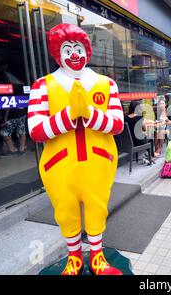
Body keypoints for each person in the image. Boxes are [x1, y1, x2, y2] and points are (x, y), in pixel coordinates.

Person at [27, 24, 124, 275]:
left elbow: (117, 125)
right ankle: (74, 258)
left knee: (97, 208)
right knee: (66, 211)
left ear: (87, 50)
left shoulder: (106, 84)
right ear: (57, 54)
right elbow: (36, 130)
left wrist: (88, 113)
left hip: (98, 162)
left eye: (78, 48)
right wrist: (70, 114)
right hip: (59, 165)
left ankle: (97, 256)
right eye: (67, 49)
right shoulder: (42, 86)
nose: (74, 54)